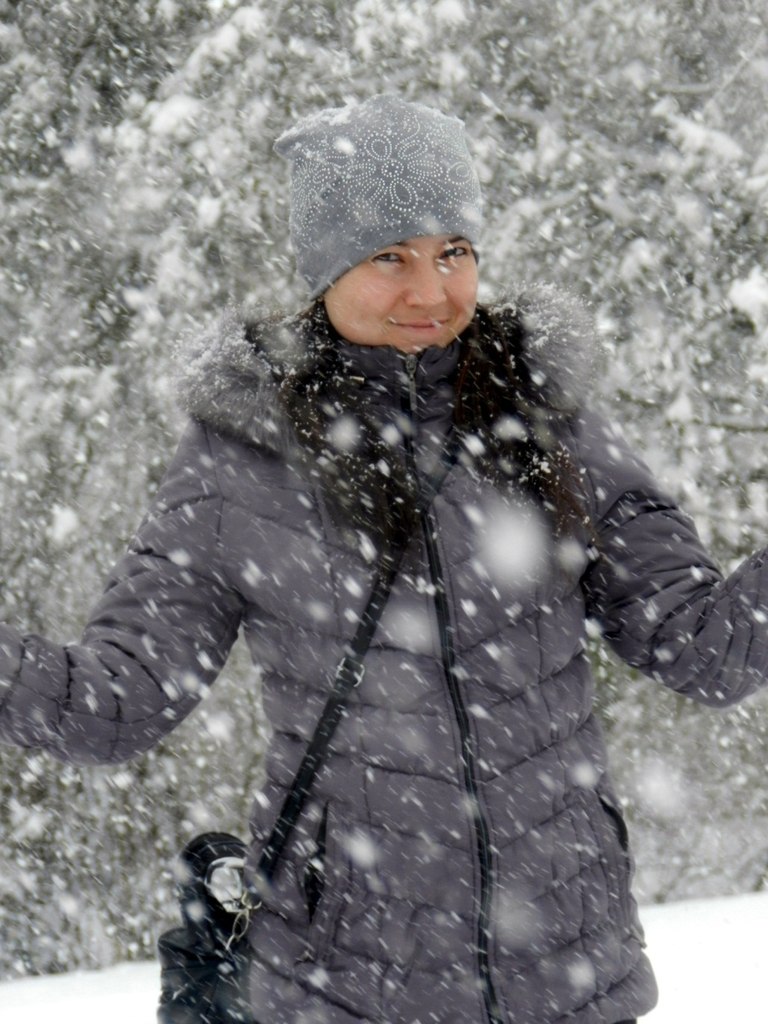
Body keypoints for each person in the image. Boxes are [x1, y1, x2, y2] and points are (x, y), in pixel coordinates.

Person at [1, 92, 765, 1024]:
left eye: (453, 253)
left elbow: (706, 649)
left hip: (568, 972)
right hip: (349, 984)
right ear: (323, 271)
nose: (430, 292)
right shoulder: (243, 456)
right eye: (388, 257)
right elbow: (109, 706)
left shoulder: (550, 423)